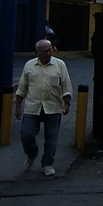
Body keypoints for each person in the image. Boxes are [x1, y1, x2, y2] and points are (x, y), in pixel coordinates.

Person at [15, 39, 73, 177]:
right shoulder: (29, 66)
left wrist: (66, 103)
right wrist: (18, 106)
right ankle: (32, 153)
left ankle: (47, 163)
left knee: (51, 138)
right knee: (26, 134)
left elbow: (66, 86)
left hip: (52, 107)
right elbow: (22, 88)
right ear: (38, 52)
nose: (48, 53)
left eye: (50, 50)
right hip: (32, 107)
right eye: (45, 51)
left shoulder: (59, 65)